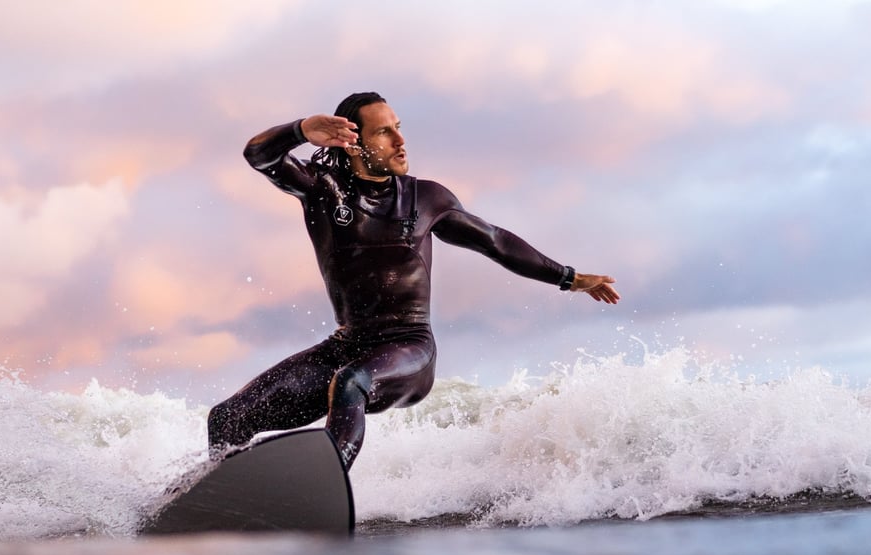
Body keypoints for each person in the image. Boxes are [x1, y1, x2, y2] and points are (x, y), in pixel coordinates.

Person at [208, 92, 620, 470]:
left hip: (409, 349)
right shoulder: (323, 190)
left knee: (352, 381)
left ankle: (323, 485)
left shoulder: (425, 200)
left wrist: (568, 277)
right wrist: (299, 130)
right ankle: (224, 501)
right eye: (384, 132)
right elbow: (258, 154)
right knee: (226, 420)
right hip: (347, 346)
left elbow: (495, 242)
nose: (400, 141)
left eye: (398, 128)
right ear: (354, 142)